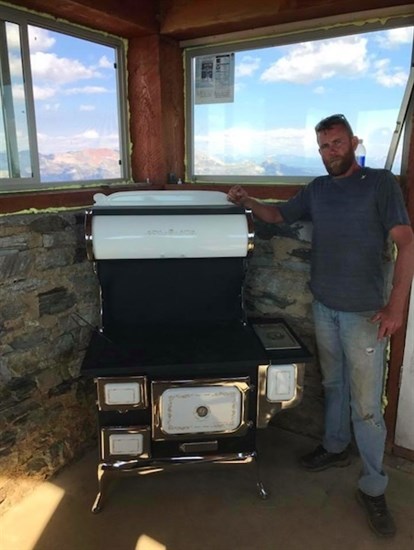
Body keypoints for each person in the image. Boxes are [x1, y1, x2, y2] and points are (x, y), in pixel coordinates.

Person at [227, 113, 414, 538]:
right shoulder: (318, 189)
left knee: (366, 406)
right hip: (324, 306)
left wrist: (397, 307)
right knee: (333, 384)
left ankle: (373, 486)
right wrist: (247, 202)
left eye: (338, 143)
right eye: (324, 146)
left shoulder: (381, 184)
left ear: (353, 142)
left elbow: (407, 241)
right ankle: (334, 447)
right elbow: (277, 216)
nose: (332, 151)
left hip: (365, 314)